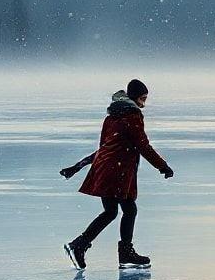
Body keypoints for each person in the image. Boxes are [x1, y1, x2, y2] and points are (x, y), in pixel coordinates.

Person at [63, 79, 174, 270]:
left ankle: (82, 245)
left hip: (107, 169)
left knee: (111, 211)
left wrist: (78, 166)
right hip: (117, 171)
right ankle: (120, 252)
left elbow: (104, 148)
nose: (143, 104)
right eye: (142, 99)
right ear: (133, 98)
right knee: (128, 210)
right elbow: (143, 146)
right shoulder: (132, 117)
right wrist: (162, 166)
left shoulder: (112, 117)